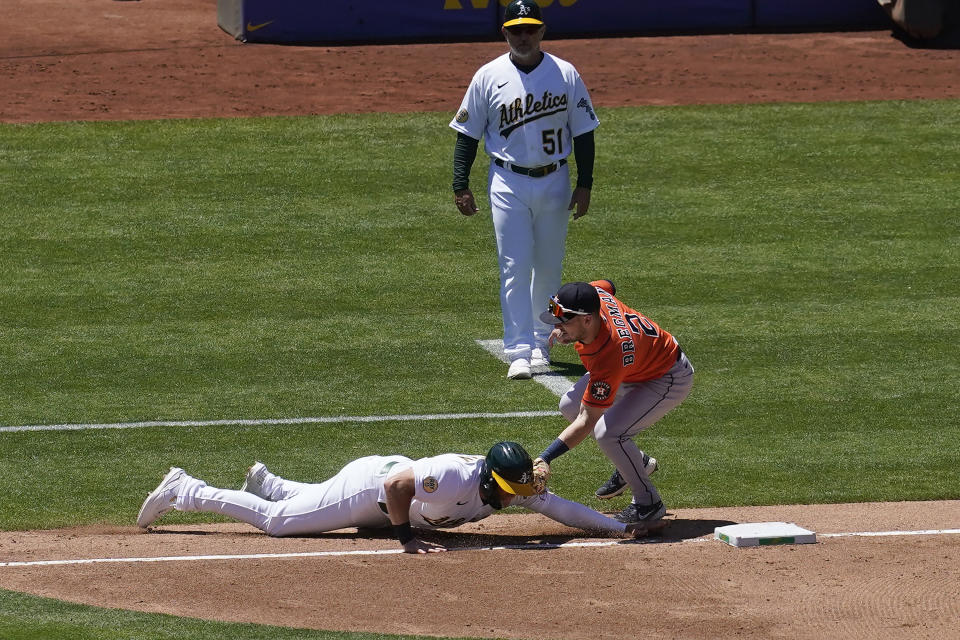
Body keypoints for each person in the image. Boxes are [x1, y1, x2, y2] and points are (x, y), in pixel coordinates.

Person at [137, 441, 657, 554]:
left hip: (385, 500)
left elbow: (560, 508)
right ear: (495, 481)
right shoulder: (455, 476)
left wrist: (615, 528)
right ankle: (188, 489)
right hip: (372, 489)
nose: (524, 498)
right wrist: (406, 537)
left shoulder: (508, 488)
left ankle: (269, 482)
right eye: (516, 489)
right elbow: (395, 487)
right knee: (278, 524)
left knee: (305, 506)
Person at [449, 0, 599, 380]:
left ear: (542, 32)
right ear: (505, 33)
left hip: (555, 179)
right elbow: (467, 134)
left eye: (530, 29)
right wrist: (460, 184)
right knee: (514, 266)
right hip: (507, 181)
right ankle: (518, 349)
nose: (524, 36)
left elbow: (583, 131)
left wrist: (585, 183)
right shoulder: (488, 75)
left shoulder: (565, 74)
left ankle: (540, 340)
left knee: (548, 266)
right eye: (516, 30)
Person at [531, 280, 694, 525]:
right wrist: (566, 328)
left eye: (564, 320)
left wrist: (545, 457)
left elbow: (587, 420)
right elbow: (607, 285)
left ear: (587, 319)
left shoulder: (609, 353)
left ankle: (648, 503)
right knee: (569, 405)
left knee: (608, 433)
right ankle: (637, 463)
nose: (558, 325)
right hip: (635, 367)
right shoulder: (592, 295)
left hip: (665, 376)